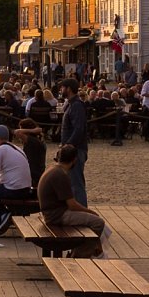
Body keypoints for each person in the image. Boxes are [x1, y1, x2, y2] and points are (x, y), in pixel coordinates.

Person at [37, 144, 107, 258]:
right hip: (57, 215)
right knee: (98, 223)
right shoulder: (61, 175)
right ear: (74, 160)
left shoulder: (52, 169)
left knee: (89, 221)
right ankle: (80, 256)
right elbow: (72, 205)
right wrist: (90, 212)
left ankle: (81, 250)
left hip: (51, 212)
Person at [58, 78, 89, 206]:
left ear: (68, 89)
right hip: (71, 149)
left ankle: (82, 212)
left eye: (62, 87)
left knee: (76, 183)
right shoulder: (71, 104)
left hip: (75, 151)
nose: (61, 90)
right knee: (71, 182)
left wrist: (68, 146)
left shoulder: (76, 105)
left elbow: (78, 129)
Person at [13, 118, 47, 188]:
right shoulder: (38, 141)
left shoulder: (31, 141)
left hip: (33, 174)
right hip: (38, 172)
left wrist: (33, 131)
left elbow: (17, 132)